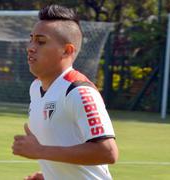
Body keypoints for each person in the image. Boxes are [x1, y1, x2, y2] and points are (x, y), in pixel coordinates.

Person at [12, 4, 118, 180]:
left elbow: (107, 152)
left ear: (67, 50)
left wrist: (40, 151)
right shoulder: (36, 88)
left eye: (41, 41)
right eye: (31, 39)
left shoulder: (78, 91)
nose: (31, 47)